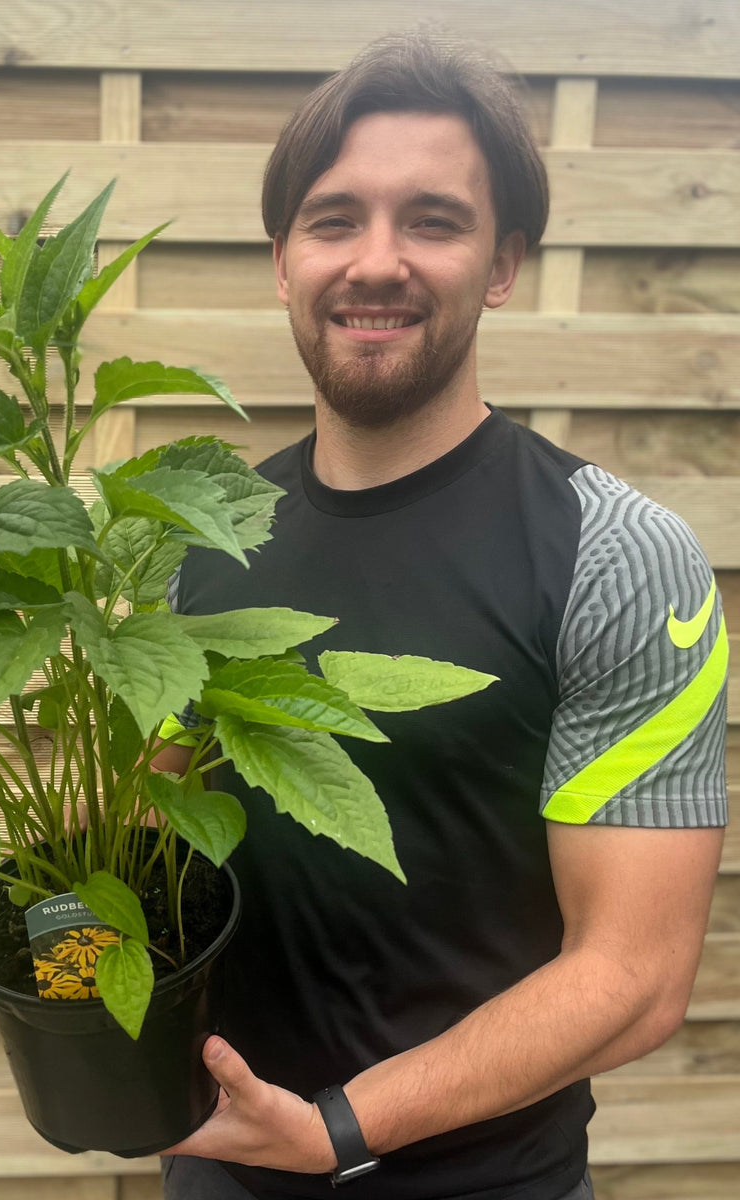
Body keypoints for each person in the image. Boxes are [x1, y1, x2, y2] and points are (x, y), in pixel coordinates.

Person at [155, 31, 728, 1200]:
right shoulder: (198, 545)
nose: (377, 261)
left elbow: (634, 973)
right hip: (218, 1169)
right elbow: (160, 851)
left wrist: (339, 1129)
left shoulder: (617, 558)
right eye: (334, 220)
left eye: (432, 219)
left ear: (503, 261)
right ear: (281, 260)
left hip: (487, 1180)